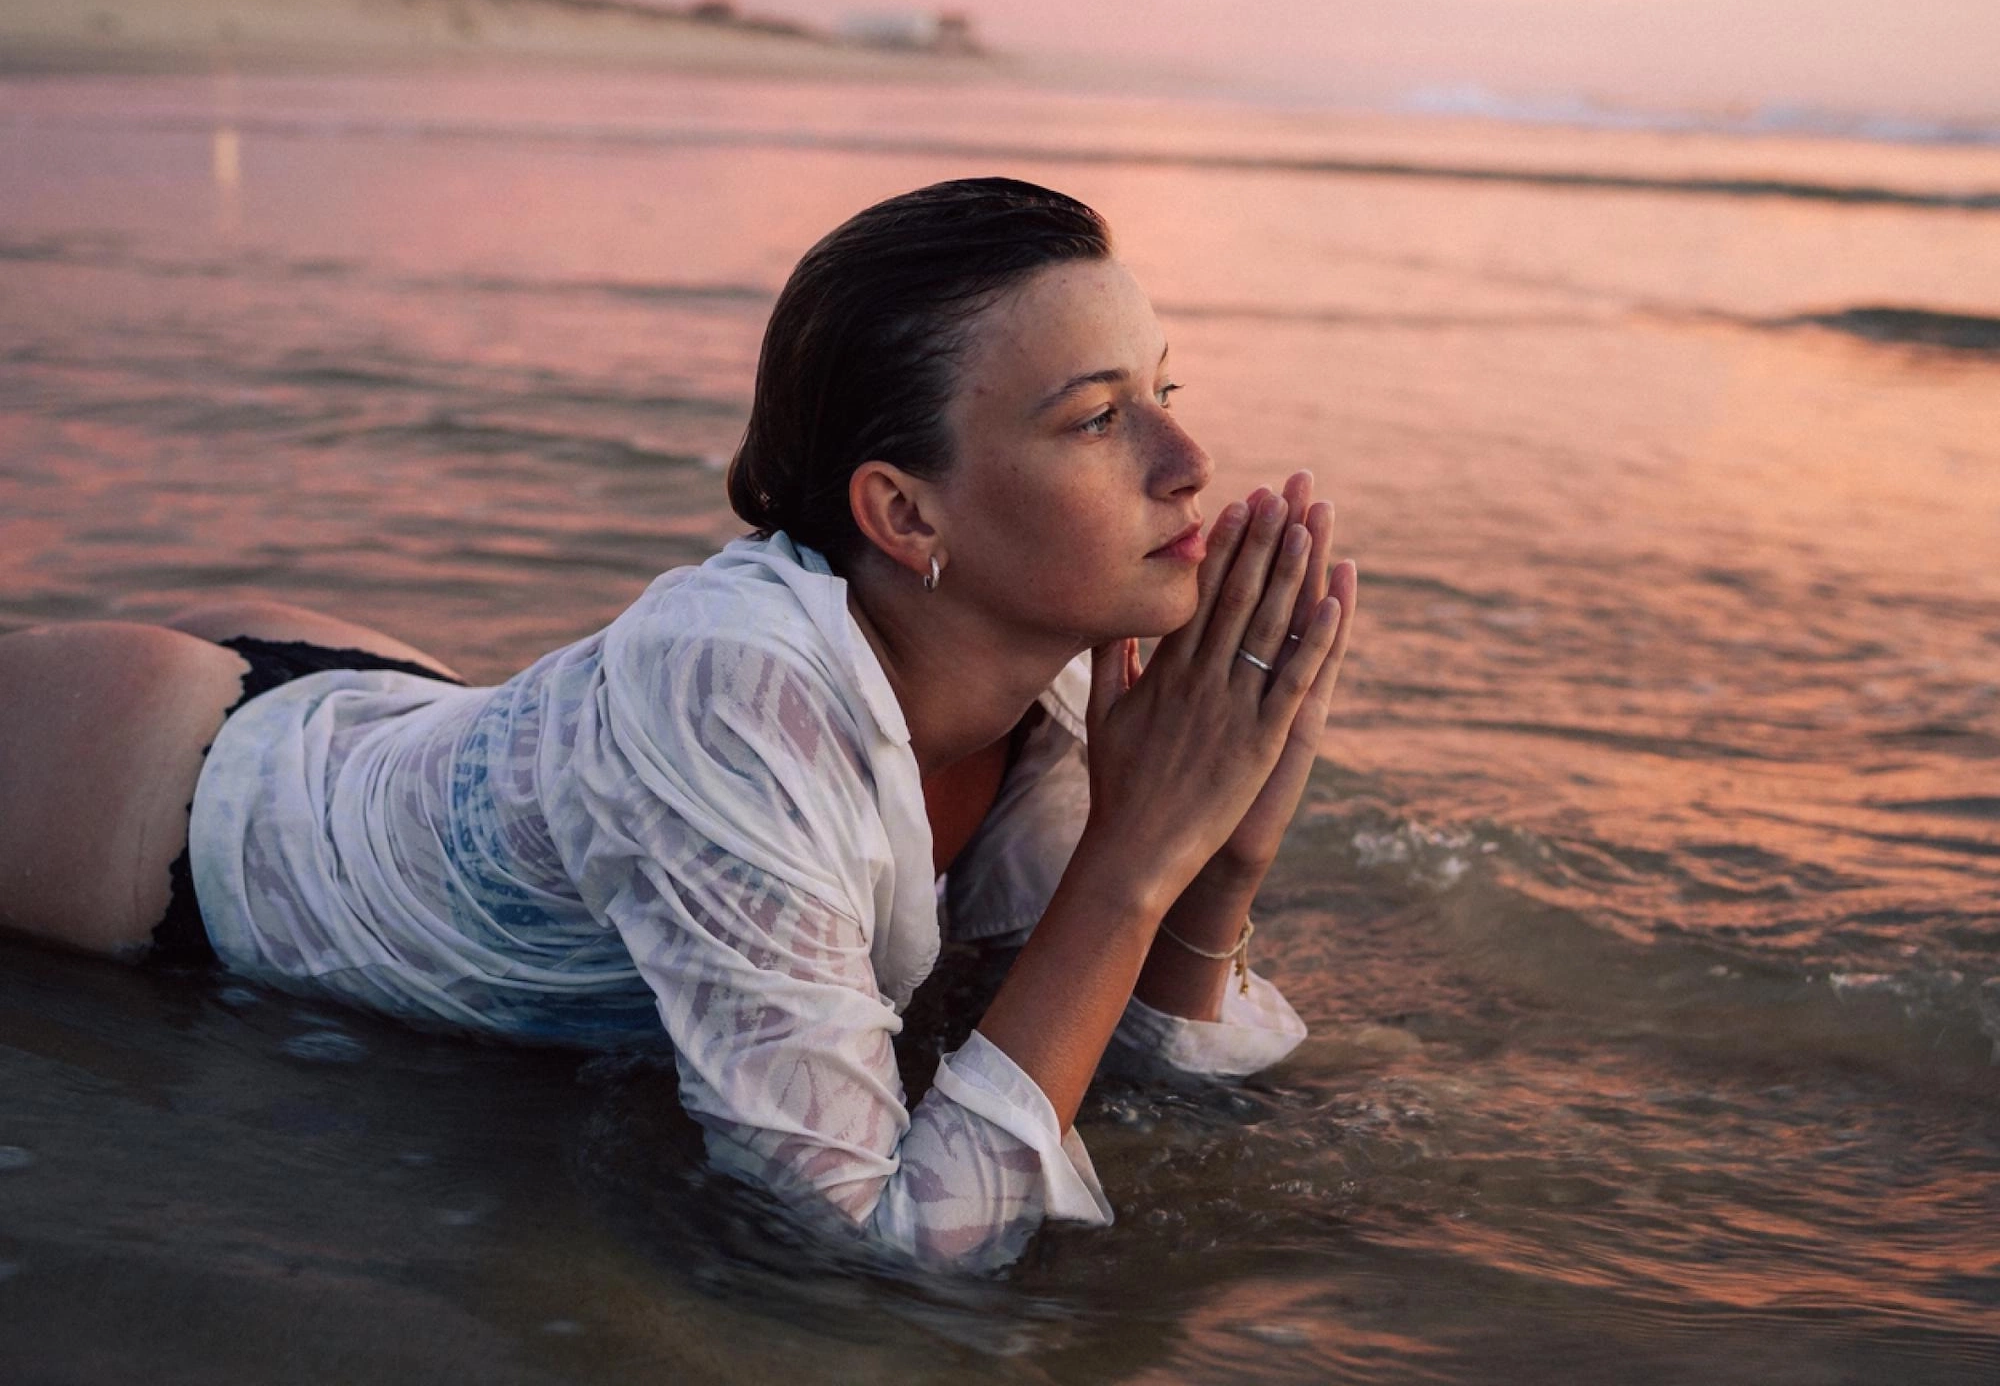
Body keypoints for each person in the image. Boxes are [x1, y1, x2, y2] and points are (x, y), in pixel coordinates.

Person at [0, 177, 1358, 1270]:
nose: (1188, 464)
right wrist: (1132, 862)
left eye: (1165, 395)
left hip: (386, 709)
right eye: (1098, 420)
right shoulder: (734, 696)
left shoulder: (1059, 667)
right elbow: (879, 1243)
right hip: (149, 805)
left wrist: (1213, 862)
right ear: (905, 515)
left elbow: (1137, 1065)